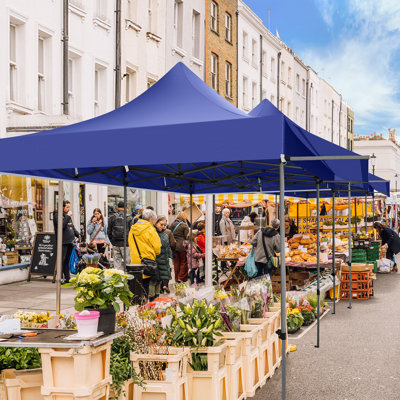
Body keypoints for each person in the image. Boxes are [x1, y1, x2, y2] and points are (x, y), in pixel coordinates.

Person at [128, 209, 161, 296]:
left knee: (137, 286)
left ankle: (137, 304)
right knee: (146, 285)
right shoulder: (150, 229)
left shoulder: (132, 229)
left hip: (135, 261)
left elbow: (130, 243)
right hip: (147, 262)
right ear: (150, 219)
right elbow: (157, 247)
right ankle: (144, 305)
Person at [53, 200, 80, 283]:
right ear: (62, 207)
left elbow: (71, 225)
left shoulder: (67, 216)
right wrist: (68, 216)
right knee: (62, 260)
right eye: (67, 207)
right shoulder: (57, 214)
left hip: (70, 241)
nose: (68, 209)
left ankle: (67, 277)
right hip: (63, 241)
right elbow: (61, 225)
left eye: (69, 207)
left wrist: (77, 234)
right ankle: (60, 278)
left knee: (68, 260)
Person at [148, 216, 173, 300]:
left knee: (159, 281)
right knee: (153, 281)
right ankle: (152, 300)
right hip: (154, 259)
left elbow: (168, 246)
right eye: (161, 224)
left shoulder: (165, 233)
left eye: (164, 225)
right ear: (156, 222)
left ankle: (157, 299)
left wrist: (169, 257)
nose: (162, 227)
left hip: (164, 260)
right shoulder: (152, 231)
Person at [107, 201, 133, 270]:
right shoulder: (129, 218)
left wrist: (112, 242)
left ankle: (118, 279)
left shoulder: (112, 217)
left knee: (117, 265)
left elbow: (108, 231)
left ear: (117, 208)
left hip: (115, 244)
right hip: (126, 244)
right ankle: (127, 279)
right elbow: (132, 232)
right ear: (126, 208)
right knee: (128, 264)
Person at [170, 211, 189, 282]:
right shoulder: (184, 225)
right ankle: (181, 277)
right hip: (182, 246)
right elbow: (187, 236)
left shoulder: (172, 224)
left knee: (176, 262)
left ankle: (176, 278)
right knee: (183, 262)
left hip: (174, 246)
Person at [161, 226, 176, 293]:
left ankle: (161, 287)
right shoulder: (168, 232)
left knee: (160, 269)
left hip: (158, 253)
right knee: (167, 269)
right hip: (167, 253)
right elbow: (173, 243)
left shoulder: (154, 231)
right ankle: (165, 284)